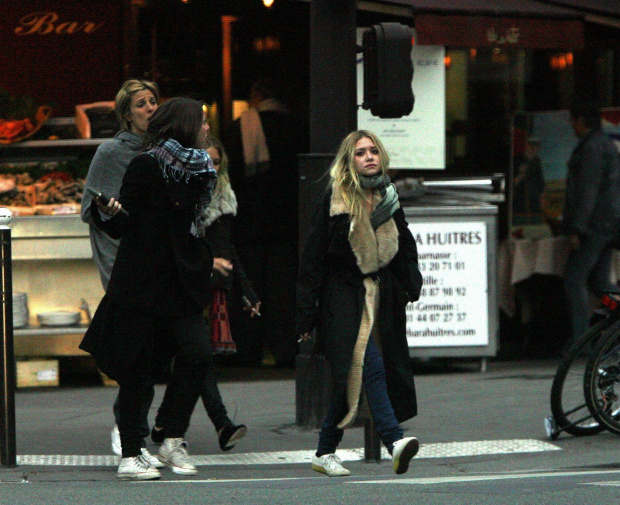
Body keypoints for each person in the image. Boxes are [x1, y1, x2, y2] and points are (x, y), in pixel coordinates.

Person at [80, 97, 218, 481]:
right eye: (201, 123)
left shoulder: (201, 168)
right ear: (184, 127)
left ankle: (169, 432)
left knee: (198, 353)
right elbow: (127, 224)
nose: (207, 129)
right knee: (137, 372)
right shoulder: (146, 164)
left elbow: (196, 222)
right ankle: (130, 453)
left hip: (180, 283)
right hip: (143, 282)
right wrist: (108, 212)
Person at [296, 130, 423, 477]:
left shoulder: (388, 198)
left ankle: (324, 451)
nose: (368, 157)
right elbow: (312, 260)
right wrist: (306, 317)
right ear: (348, 161)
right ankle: (393, 440)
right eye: (359, 153)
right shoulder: (335, 200)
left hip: (377, 298)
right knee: (371, 367)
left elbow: (404, 245)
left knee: (349, 377)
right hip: (341, 298)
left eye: (373, 151)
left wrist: (411, 286)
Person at [149, 135, 257, 450]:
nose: (212, 166)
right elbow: (179, 244)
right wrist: (210, 263)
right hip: (189, 284)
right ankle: (221, 423)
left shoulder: (225, 195)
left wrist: (247, 289)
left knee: (196, 358)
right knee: (198, 357)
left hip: (216, 288)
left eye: (218, 161)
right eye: (207, 160)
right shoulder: (186, 195)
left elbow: (229, 248)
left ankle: (164, 421)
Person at [80, 79, 162, 466]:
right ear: (127, 114)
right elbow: (92, 209)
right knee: (134, 352)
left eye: (153, 102)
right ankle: (130, 430)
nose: (149, 108)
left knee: (161, 351)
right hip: (124, 265)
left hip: (160, 264)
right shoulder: (112, 151)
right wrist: (115, 265)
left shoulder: (165, 149)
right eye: (141, 104)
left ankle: (152, 429)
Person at [224, 78, 300, 367]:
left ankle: (247, 349)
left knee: (248, 285)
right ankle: (285, 348)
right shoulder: (297, 127)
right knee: (283, 290)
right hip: (287, 221)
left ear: (257, 94)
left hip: (247, 222)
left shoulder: (239, 128)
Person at [563, 100, 620, 348]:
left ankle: (580, 341)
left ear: (581, 121)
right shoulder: (604, 145)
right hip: (608, 224)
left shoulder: (592, 148)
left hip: (595, 225)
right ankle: (615, 323)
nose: (572, 126)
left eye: (573, 120)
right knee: (599, 283)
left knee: (574, 279)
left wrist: (577, 228)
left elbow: (588, 190)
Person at [512, 137, 545, 223]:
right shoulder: (517, 160)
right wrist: (521, 173)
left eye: (536, 147)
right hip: (520, 203)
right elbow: (513, 182)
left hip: (534, 203)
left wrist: (541, 203)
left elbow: (540, 184)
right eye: (531, 146)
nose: (533, 149)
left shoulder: (536, 162)